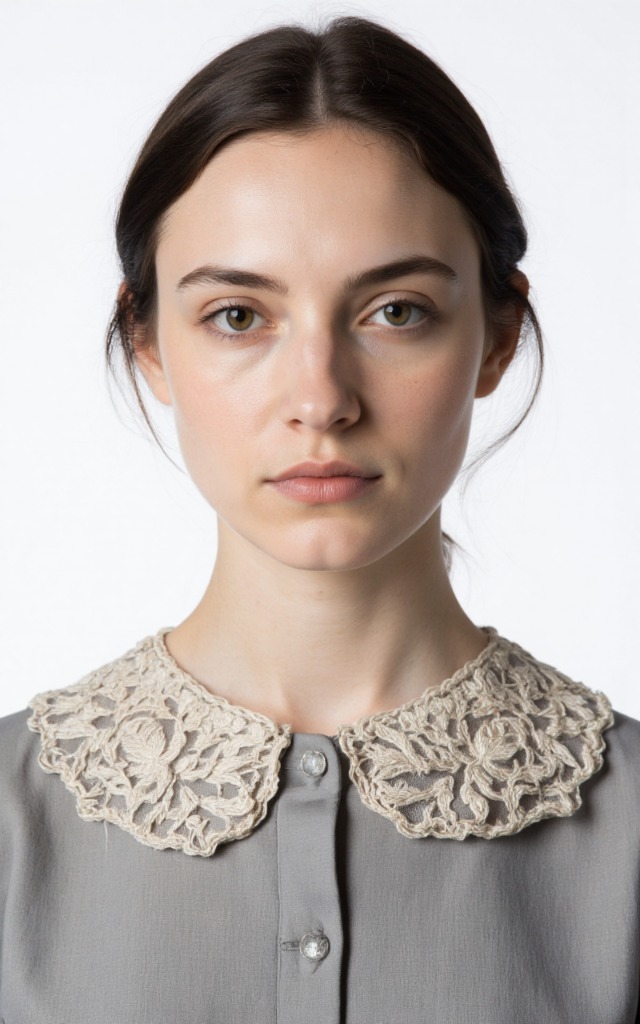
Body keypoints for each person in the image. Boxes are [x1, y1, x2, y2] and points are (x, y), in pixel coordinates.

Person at [1, 14, 638, 1023]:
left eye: (395, 310)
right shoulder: (11, 827)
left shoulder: (630, 841)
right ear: (149, 344)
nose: (321, 397)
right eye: (237, 316)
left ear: (497, 335)